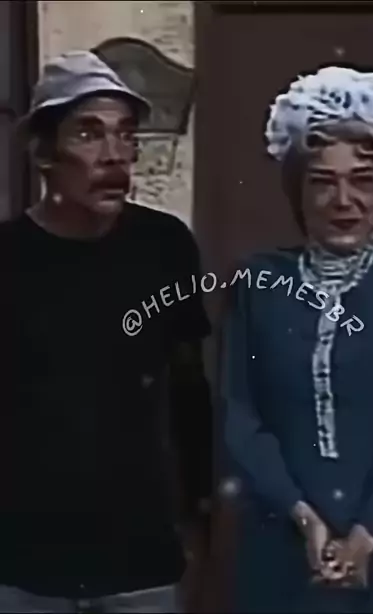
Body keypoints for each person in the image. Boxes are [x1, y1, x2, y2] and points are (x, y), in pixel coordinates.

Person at [221, 65, 373, 613]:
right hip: (285, 551)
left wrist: (368, 534)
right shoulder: (259, 280)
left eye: (362, 180)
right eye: (323, 182)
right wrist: (304, 517)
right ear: (296, 193)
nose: (343, 199)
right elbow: (239, 414)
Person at [0, 50, 212, 613]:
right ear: (44, 153)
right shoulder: (8, 258)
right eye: (89, 134)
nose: (114, 155)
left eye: (125, 135)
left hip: (140, 563)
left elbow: (189, 392)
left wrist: (199, 518)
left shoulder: (165, 247)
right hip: (23, 570)